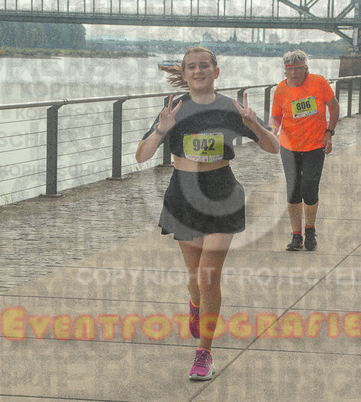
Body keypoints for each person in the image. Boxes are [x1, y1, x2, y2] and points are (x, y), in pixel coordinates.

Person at [136, 46, 279, 380]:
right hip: (183, 195)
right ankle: (196, 305)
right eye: (191, 67)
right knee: (194, 278)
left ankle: (204, 353)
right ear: (185, 74)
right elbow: (141, 156)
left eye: (204, 66)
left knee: (208, 275)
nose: (198, 71)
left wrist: (254, 126)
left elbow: (274, 147)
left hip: (221, 194)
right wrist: (161, 130)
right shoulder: (174, 109)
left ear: (216, 71)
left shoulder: (231, 108)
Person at [269, 50, 340, 251]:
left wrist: (329, 133)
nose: (294, 73)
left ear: (306, 68)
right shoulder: (281, 89)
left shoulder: (319, 83)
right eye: (290, 69)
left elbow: (334, 108)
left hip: (314, 146)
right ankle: (296, 235)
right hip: (289, 146)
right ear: (285, 71)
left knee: (309, 188)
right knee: (293, 190)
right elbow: (276, 116)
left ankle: (310, 230)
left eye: (299, 69)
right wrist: (272, 130)